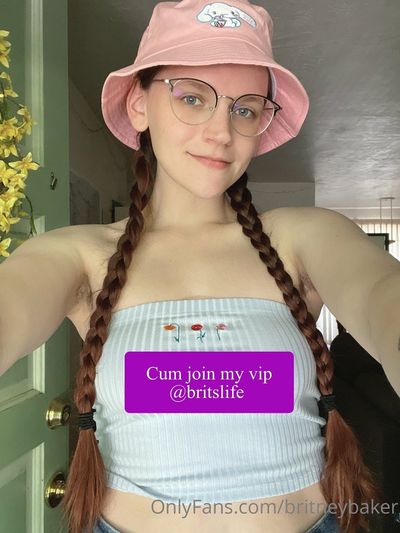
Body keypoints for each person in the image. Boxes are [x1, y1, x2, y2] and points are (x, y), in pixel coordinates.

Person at [3, 0, 400, 532]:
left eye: (246, 108)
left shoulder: (304, 237)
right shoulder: (78, 256)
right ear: (138, 104)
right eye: (192, 97)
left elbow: (382, 295)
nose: (221, 132)